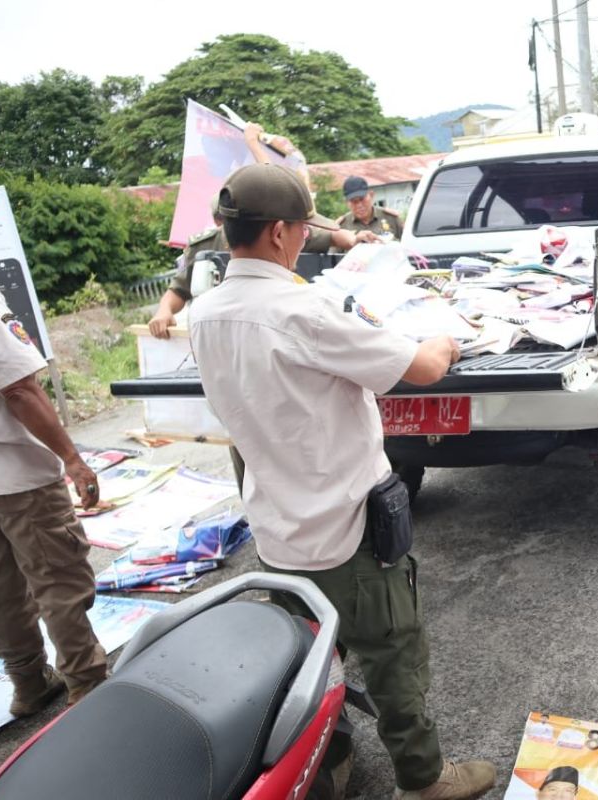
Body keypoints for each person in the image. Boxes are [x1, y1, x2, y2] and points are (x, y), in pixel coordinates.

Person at [189, 162, 494, 800]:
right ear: (277, 232)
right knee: (391, 652)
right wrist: (447, 335)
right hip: (346, 528)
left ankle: (327, 761)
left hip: (277, 527)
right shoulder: (301, 310)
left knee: (308, 660)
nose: (306, 238)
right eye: (301, 228)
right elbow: (421, 368)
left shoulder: (207, 311)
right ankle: (423, 779)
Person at [0, 283, 108, 715]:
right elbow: (19, 388)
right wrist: (73, 460)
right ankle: (87, 682)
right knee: (59, 579)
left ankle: (28, 682)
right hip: (17, 474)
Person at [148, 124, 380, 340]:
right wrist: (163, 311)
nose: (302, 237)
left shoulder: (204, 315)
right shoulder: (206, 252)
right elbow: (179, 288)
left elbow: (329, 234)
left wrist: (354, 238)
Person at [339, 176, 404, 241]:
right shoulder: (342, 226)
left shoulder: (391, 218)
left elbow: (408, 245)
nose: (359, 205)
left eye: (362, 199)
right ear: (346, 203)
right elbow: (333, 251)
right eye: (354, 202)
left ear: (371, 195)